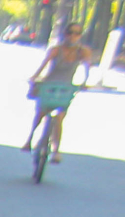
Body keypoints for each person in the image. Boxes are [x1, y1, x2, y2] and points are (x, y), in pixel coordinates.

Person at [26, 25, 95, 156]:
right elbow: (44, 64)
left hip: (66, 88)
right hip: (49, 85)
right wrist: (35, 78)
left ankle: (56, 151)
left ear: (80, 36)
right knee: (41, 113)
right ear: (65, 34)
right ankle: (29, 139)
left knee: (60, 117)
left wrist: (85, 82)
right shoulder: (56, 50)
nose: (73, 36)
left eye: (77, 33)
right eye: (70, 32)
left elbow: (87, 66)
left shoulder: (83, 51)